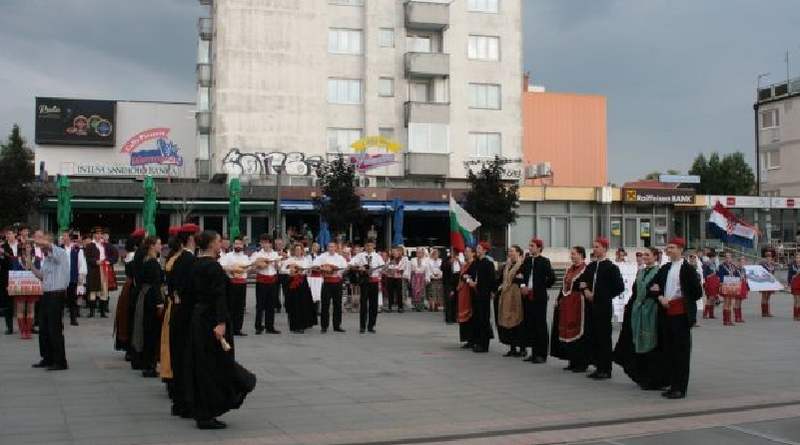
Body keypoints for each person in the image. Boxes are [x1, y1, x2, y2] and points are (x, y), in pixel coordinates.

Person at [184, 230, 256, 430]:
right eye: (218, 241)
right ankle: (211, 408)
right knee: (216, 363)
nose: (221, 244)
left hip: (198, 318)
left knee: (203, 363)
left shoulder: (195, 264)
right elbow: (219, 296)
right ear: (211, 244)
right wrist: (221, 322)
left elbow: (188, 294)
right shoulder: (213, 267)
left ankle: (202, 409)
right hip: (212, 319)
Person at [650, 238, 702, 399]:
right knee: (669, 350)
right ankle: (672, 384)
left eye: (671, 247)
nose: (668, 250)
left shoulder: (687, 269)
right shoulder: (665, 268)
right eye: (667, 247)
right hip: (666, 313)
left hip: (680, 314)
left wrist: (680, 299)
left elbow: (697, 292)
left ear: (680, 249)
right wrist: (660, 297)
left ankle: (680, 387)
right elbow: (652, 286)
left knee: (681, 351)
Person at [613, 247, 669, 390]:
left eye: (648, 255)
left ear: (656, 257)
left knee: (653, 344)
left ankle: (655, 377)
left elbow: (662, 290)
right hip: (638, 311)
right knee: (637, 342)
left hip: (652, 311)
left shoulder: (661, 272)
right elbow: (635, 291)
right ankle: (642, 375)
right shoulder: (641, 272)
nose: (645, 257)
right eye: (644, 255)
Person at [578, 237, 624, 380]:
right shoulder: (591, 267)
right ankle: (598, 366)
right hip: (590, 307)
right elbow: (582, 281)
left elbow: (619, 287)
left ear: (605, 248)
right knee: (593, 336)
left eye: (597, 246)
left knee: (604, 337)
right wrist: (585, 291)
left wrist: (602, 296)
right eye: (594, 246)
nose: (594, 249)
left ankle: (606, 369)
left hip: (603, 307)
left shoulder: (611, 267)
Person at [167, 223, 200, 417]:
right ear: (190, 239)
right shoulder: (188, 260)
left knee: (179, 359)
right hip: (186, 314)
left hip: (178, 311)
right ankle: (185, 403)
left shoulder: (179, 259)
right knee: (184, 360)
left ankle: (180, 402)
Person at [30, 232, 69, 371]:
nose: (40, 245)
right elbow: (41, 276)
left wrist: (33, 239)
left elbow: (47, 244)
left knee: (55, 328)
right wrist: (31, 266)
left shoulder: (60, 253)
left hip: (56, 295)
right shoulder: (46, 259)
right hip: (46, 295)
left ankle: (60, 361)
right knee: (44, 328)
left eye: (43, 243)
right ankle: (47, 358)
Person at [551, 246, 590, 372]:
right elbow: (564, 287)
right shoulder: (569, 269)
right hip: (567, 303)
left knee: (579, 331)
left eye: (574, 254)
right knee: (568, 331)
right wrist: (558, 299)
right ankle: (572, 360)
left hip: (579, 303)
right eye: (571, 254)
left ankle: (581, 362)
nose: (572, 256)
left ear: (581, 255)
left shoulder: (586, 269)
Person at [518, 238, 556, 364]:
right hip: (527, 296)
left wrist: (540, 287)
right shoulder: (527, 260)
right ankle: (534, 353)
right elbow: (520, 275)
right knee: (531, 324)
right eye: (529, 246)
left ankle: (542, 354)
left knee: (540, 325)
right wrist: (523, 286)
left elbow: (552, 278)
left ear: (539, 248)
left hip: (539, 297)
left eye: (532, 246)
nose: (530, 248)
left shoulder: (544, 261)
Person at [132, 236, 164, 378]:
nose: (161, 246)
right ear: (152, 246)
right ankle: (149, 365)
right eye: (159, 244)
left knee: (147, 330)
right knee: (151, 331)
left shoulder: (146, 260)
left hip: (145, 296)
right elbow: (156, 284)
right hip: (151, 297)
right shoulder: (152, 263)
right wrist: (159, 301)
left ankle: (147, 363)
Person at [116, 229, 144, 354]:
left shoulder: (130, 255)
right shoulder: (134, 256)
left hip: (128, 285)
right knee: (130, 315)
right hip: (132, 285)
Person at [496, 245, 525, 358]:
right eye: (509, 251)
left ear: (518, 253)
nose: (510, 253)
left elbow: (523, 279)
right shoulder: (506, 265)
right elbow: (500, 279)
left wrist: (519, 280)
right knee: (508, 320)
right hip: (506, 294)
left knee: (519, 320)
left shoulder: (522, 264)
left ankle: (522, 348)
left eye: (512, 251)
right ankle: (512, 347)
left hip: (517, 294)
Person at [84, 226, 119, 318]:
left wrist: (109, 261)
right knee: (93, 290)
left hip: (104, 268)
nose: (99, 235)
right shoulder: (90, 245)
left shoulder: (106, 245)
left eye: (100, 234)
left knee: (104, 290)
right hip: (94, 270)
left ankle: (103, 312)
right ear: (94, 235)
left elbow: (115, 254)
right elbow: (88, 258)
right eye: (97, 233)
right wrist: (95, 261)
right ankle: (92, 312)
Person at [351, 239, 385, 333]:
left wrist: (383, 267)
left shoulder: (377, 256)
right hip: (365, 281)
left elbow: (383, 267)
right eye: (367, 246)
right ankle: (362, 326)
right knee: (364, 304)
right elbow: (351, 264)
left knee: (373, 304)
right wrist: (359, 267)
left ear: (373, 246)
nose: (369, 247)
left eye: (371, 245)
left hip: (374, 281)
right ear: (364, 246)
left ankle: (371, 325)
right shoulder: (360, 255)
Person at [250, 234, 281, 335]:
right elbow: (252, 269)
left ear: (270, 243)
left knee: (271, 305)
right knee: (260, 305)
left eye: (266, 242)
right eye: (262, 242)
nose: (264, 244)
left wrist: (276, 263)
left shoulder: (275, 254)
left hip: (272, 281)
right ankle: (258, 326)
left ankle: (270, 327)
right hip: (262, 281)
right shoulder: (257, 254)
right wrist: (258, 265)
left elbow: (278, 269)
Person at [313, 242, 347, 332]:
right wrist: (322, 268)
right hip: (327, 283)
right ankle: (324, 326)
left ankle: (337, 326)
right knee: (325, 305)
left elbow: (345, 268)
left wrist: (336, 269)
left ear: (336, 248)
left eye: (332, 247)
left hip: (337, 282)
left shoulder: (340, 257)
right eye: (329, 246)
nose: (330, 248)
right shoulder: (323, 256)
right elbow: (314, 265)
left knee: (337, 305)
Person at [219, 238, 251, 336]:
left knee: (240, 307)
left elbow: (249, 268)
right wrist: (232, 268)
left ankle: (238, 329)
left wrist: (245, 270)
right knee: (231, 306)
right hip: (232, 283)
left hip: (242, 283)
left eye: (240, 244)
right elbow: (221, 266)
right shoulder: (228, 256)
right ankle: (230, 329)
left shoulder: (245, 257)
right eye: (236, 243)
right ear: (233, 245)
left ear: (242, 245)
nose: (238, 245)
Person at [470, 242, 496, 353]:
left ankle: (484, 345)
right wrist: (468, 280)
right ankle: (477, 342)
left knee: (483, 319)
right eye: (477, 248)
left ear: (485, 250)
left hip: (483, 294)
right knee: (476, 319)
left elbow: (491, 280)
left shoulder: (488, 264)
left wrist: (491, 291)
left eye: (479, 248)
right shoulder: (475, 263)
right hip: (474, 294)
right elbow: (466, 274)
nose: (477, 249)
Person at [284, 243, 315, 333]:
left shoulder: (306, 260)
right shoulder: (290, 260)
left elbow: (309, 271)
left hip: (303, 282)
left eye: (299, 249)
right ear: (293, 250)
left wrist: (306, 270)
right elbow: (283, 269)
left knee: (303, 303)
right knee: (294, 304)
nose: (298, 251)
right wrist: (291, 270)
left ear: (302, 250)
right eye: (296, 249)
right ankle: (294, 326)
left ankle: (303, 324)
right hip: (293, 281)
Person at [12, 242, 40, 339]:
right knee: (20, 309)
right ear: (22, 249)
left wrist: (30, 264)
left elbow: (38, 270)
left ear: (32, 248)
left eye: (29, 247)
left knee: (30, 309)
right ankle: (22, 331)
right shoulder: (16, 259)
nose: (27, 248)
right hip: (21, 286)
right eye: (25, 247)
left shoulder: (36, 259)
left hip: (32, 286)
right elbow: (14, 271)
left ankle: (28, 330)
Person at [60, 231, 87, 326]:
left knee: (72, 298)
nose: (64, 237)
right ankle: (60, 320)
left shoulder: (76, 248)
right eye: (63, 236)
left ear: (70, 237)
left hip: (72, 276)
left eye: (66, 236)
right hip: (61, 277)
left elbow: (81, 262)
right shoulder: (59, 248)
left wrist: (81, 274)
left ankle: (73, 319)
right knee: (60, 299)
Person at [717, 252, 743, 326]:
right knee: (726, 302)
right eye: (726, 257)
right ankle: (725, 320)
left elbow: (737, 274)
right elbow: (720, 275)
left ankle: (729, 320)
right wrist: (722, 283)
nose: (728, 258)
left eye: (729, 257)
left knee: (730, 302)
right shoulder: (721, 266)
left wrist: (739, 277)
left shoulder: (733, 266)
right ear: (724, 258)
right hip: (725, 285)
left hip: (732, 285)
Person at [456, 247, 476, 348]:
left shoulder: (474, 264)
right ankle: (468, 339)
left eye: (468, 251)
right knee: (463, 313)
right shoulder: (464, 264)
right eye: (465, 251)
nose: (465, 253)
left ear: (473, 253)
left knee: (471, 314)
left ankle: (473, 339)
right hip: (463, 290)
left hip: (470, 291)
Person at [385, 246, 408, 313]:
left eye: (395, 251)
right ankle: (389, 307)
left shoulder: (402, 259)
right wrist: (389, 268)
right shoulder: (390, 259)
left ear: (398, 252)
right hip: (390, 277)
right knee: (390, 292)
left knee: (399, 292)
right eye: (393, 252)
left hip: (398, 278)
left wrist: (393, 269)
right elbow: (385, 268)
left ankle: (400, 307)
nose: (394, 253)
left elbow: (402, 267)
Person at [0, 227, 15, 335]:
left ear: (14, 234)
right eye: (7, 234)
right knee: (7, 301)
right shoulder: (2, 247)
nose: (8, 235)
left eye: (10, 233)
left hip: (21, 276)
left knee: (22, 301)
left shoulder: (21, 246)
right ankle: (9, 327)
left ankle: (27, 327)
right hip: (6, 276)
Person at [442, 248, 462, 324]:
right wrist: (449, 262)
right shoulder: (446, 259)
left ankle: (455, 317)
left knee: (455, 301)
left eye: (453, 252)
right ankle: (448, 318)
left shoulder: (459, 260)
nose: (452, 253)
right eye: (451, 252)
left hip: (456, 282)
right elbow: (442, 268)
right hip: (448, 283)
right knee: (449, 301)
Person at [409, 247, 430, 312]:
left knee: (421, 291)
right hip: (414, 277)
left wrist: (427, 278)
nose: (419, 254)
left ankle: (420, 305)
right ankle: (415, 305)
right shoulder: (412, 259)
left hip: (422, 277)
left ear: (423, 253)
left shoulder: (426, 260)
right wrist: (409, 277)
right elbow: (409, 269)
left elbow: (427, 270)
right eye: (418, 252)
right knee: (414, 291)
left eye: (421, 253)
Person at [701, 250, 719, 320]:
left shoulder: (713, 264)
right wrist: (707, 277)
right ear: (710, 257)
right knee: (710, 298)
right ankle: (705, 314)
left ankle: (711, 314)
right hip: (709, 282)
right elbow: (704, 274)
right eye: (713, 257)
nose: (714, 259)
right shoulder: (706, 264)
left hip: (714, 282)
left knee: (714, 298)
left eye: (715, 258)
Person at [760, 249, 777, 318]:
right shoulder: (763, 265)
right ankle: (764, 312)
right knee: (764, 296)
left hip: (770, 282)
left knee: (768, 297)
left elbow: (773, 273)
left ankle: (768, 311)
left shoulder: (772, 265)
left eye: (770, 256)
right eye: (767, 257)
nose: (769, 258)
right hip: (764, 282)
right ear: (765, 257)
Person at [307, 242, 323, 314]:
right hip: (311, 277)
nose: (316, 248)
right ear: (312, 247)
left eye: (317, 247)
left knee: (318, 293)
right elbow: (309, 266)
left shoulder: (321, 256)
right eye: (314, 246)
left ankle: (318, 310)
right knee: (311, 293)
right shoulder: (308, 256)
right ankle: (311, 309)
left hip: (319, 277)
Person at [788, 252, 800, 321]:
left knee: (798, 300)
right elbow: (789, 276)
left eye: (799, 257)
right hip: (795, 284)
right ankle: (796, 315)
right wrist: (789, 284)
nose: (798, 259)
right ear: (795, 259)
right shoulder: (792, 267)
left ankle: (796, 315)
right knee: (796, 300)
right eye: (797, 258)